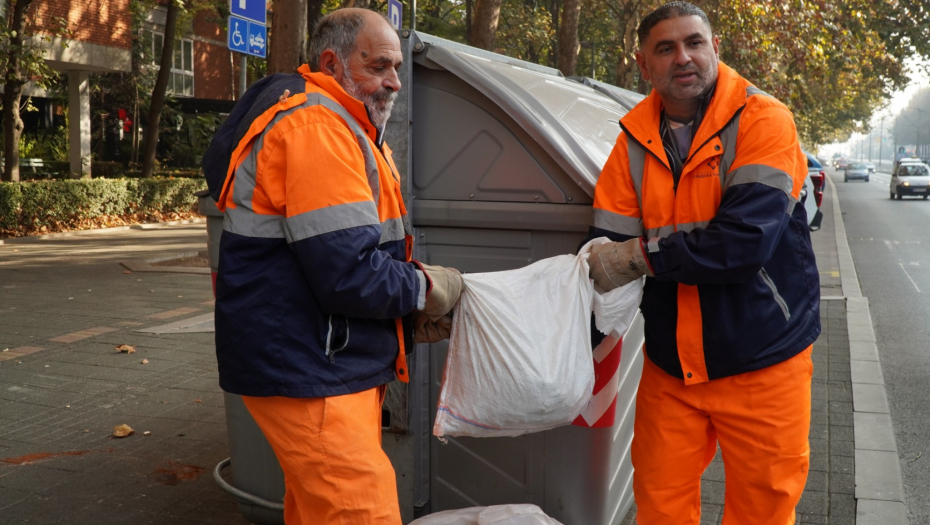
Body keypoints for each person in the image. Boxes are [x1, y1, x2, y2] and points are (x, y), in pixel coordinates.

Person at [202, 8, 462, 525]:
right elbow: (349, 273)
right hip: (312, 368)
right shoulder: (317, 128)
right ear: (332, 61)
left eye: (396, 69)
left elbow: (331, 261)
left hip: (321, 361)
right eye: (380, 66)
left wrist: (403, 316)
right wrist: (427, 287)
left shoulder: (339, 122)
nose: (393, 82)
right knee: (360, 511)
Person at [585, 2, 820, 524]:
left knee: (761, 511)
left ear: (716, 48)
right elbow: (603, 254)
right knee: (660, 505)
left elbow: (741, 246)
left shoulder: (765, 121)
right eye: (665, 48)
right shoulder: (631, 144)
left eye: (694, 43)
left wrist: (640, 256)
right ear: (644, 65)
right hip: (672, 369)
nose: (683, 57)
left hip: (761, 359)